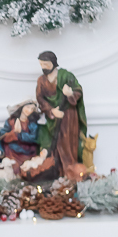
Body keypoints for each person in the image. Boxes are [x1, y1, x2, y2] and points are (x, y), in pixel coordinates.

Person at [35, 51, 87, 179]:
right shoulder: (41, 80)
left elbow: (78, 90)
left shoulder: (66, 76)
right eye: (41, 64)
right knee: (53, 144)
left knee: (67, 144)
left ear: (53, 63)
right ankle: (57, 173)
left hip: (68, 116)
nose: (43, 67)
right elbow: (40, 98)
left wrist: (70, 93)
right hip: (52, 118)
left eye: (46, 64)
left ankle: (70, 173)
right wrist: (52, 111)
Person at [0, 100, 43, 175]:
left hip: (28, 150)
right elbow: (3, 133)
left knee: (28, 168)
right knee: (14, 168)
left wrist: (20, 135)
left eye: (32, 109)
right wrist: (13, 134)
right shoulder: (11, 121)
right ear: (22, 107)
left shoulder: (32, 124)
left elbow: (33, 137)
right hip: (12, 150)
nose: (29, 110)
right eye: (28, 107)